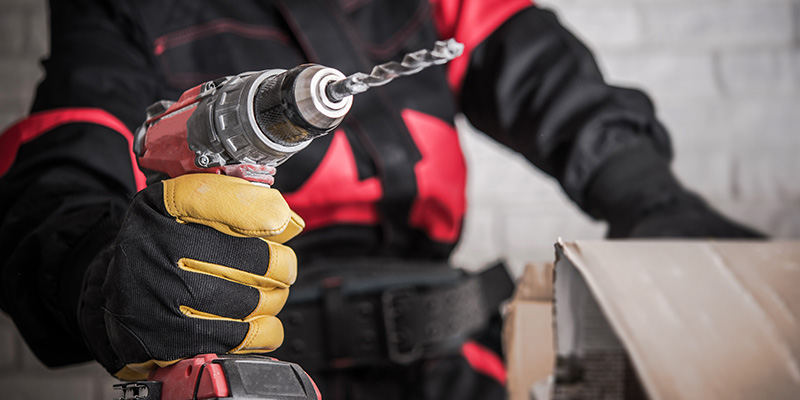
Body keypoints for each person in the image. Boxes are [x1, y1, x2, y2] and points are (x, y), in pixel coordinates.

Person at [0, 0, 762, 399]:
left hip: (449, 350)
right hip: (249, 358)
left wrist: (650, 198)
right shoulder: (122, 7)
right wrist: (104, 274)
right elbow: (60, 163)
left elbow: (539, 69)